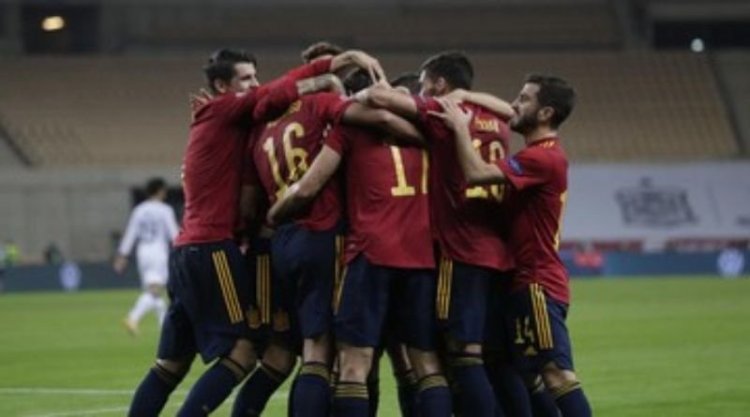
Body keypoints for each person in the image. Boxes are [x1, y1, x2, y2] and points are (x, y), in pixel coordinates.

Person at [127, 47, 379, 417]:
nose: (255, 84)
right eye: (246, 78)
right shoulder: (231, 111)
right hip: (218, 248)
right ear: (221, 86)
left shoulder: (226, 120)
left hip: (185, 251)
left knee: (171, 365)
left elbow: (270, 96)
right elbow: (274, 94)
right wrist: (325, 73)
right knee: (250, 352)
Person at [268, 73, 451, 417]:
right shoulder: (431, 135)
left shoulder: (349, 130)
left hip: (370, 253)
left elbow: (309, 186)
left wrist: (275, 213)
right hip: (421, 257)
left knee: (353, 362)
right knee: (425, 363)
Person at [357, 51, 515, 417]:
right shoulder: (497, 120)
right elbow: (510, 109)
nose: (422, 90)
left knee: (461, 355)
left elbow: (380, 99)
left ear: (441, 84)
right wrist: (470, 96)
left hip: (460, 249)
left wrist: (365, 93)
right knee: (492, 354)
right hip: (497, 250)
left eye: (425, 83)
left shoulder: (444, 113)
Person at [430, 74, 593, 417]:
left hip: (537, 283)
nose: (514, 105)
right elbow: (507, 111)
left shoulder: (541, 159)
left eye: (524, 99)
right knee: (529, 372)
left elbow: (476, 173)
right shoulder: (541, 154)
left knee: (556, 373)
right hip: (525, 281)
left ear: (545, 113)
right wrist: (467, 94)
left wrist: (460, 127)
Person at [114, 177, 179, 335]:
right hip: (158, 251)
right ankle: (133, 318)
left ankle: (165, 329)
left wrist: (122, 255)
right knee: (155, 290)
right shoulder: (165, 210)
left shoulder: (139, 210)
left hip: (143, 252)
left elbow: (131, 234)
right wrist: (182, 251)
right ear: (160, 191)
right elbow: (174, 234)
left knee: (155, 292)